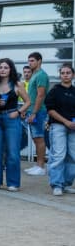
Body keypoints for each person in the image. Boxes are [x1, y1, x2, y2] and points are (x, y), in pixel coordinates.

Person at [0, 59, 30, 191]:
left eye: (6, 68)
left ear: (11, 69)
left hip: (12, 118)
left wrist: (18, 112)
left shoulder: (17, 85)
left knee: (13, 152)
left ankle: (13, 183)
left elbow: (28, 102)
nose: (3, 70)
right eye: (0, 67)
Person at [45, 63, 75, 196]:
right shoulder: (55, 90)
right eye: (63, 73)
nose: (65, 75)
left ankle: (66, 184)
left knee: (72, 157)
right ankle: (57, 184)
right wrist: (65, 121)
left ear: (73, 75)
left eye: (68, 72)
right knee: (58, 156)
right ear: (60, 75)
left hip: (73, 128)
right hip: (58, 126)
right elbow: (50, 110)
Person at [24, 52, 50, 176]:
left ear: (39, 61)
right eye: (29, 61)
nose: (30, 63)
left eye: (32, 61)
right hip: (32, 111)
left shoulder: (41, 75)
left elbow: (41, 95)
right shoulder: (34, 75)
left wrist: (34, 112)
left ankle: (41, 167)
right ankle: (38, 165)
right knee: (35, 138)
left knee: (39, 138)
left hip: (39, 112)